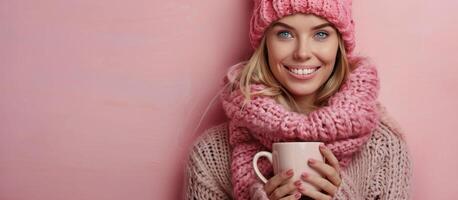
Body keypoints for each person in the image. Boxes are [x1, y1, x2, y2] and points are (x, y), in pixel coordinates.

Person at [185, 0, 412, 199]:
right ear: (265, 43)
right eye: (285, 34)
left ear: (339, 43)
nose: (302, 52)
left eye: (321, 34)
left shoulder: (385, 148)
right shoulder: (210, 156)